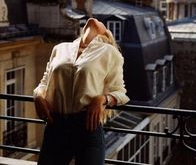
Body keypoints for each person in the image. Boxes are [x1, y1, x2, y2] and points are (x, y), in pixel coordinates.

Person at [34, 18, 130, 165]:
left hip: (87, 126)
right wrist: (38, 95)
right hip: (56, 126)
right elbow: (45, 82)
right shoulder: (60, 48)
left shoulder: (109, 52)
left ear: (106, 34)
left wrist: (102, 99)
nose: (94, 19)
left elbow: (120, 92)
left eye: (101, 22)